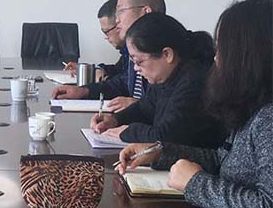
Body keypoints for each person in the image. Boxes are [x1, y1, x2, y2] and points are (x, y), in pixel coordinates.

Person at [117, 0, 273, 208]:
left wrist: (196, 184)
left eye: (223, 49)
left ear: (249, 56)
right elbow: (222, 160)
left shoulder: (268, 118)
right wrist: (159, 152)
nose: (216, 58)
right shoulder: (252, 105)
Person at [90, 13, 225, 147]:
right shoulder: (165, 76)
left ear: (167, 54)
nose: (136, 68)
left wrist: (128, 132)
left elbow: (166, 137)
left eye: (139, 62)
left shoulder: (196, 81)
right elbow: (144, 108)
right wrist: (115, 120)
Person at [53, 0, 166, 112]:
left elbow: (170, 108)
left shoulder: (165, 52)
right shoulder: (137, 47)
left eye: (121, 11)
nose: (117, 20)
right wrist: (84, 91)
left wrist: (140, 105)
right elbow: (122, 83)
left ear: (146, 12)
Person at [64, 0, 126, 79]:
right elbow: (117, 70)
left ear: (119, 25)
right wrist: (89, 69)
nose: (106, 37)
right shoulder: (126, 52)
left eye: (106, 31)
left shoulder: (136, 52)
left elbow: (124, 83)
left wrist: (102, 78)